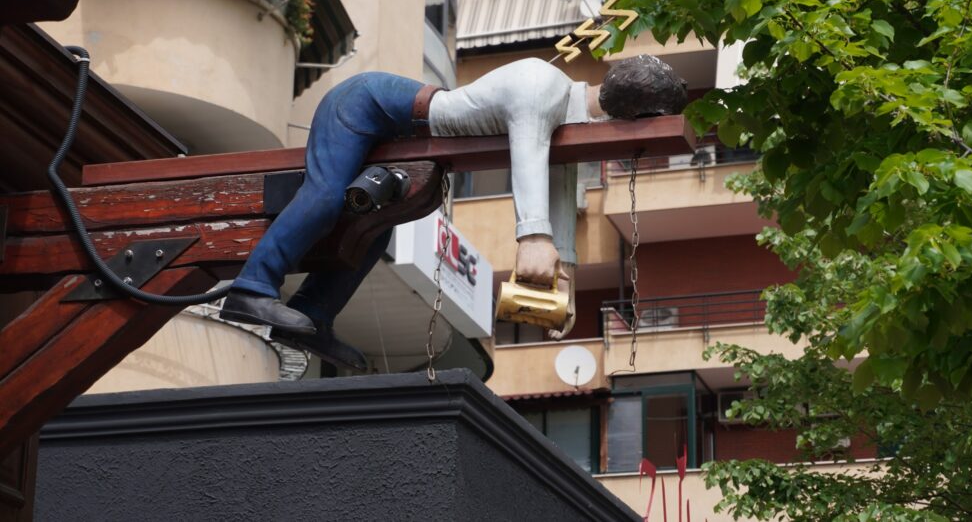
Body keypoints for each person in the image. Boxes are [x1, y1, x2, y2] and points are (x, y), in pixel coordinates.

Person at [219, 54, 687, 370]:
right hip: (363, 103)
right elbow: (527, 157)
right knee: (325, 196)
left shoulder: (566, 117)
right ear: (627, 117)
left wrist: (564, 281)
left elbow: (557, 185)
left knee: (375, 227)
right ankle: (251, 287)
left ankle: (313, 315)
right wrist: (533, 237)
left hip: (398, 126)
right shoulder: (541, 87)